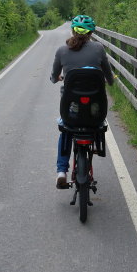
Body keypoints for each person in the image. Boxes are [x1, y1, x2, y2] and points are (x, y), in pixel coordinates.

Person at [50, 15, 114, 189]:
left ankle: (62, 172)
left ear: (73, 31)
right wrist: (108, 79)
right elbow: (109, 77)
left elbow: (53, 78)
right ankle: (96, 145)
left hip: (71, 108)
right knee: (97, 124)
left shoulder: (62, 51)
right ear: (91, 32)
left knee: (66, 128)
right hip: (95, 109)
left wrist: (59, 77)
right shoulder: (99, 49)